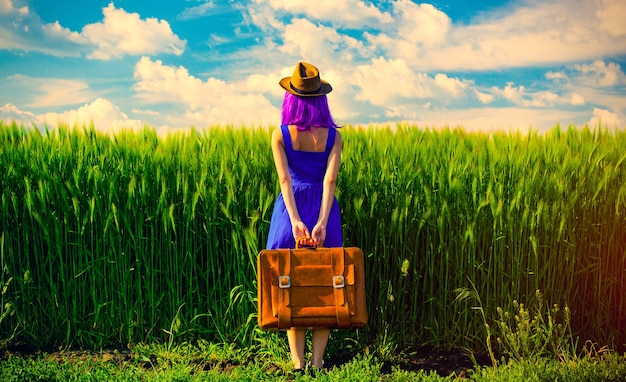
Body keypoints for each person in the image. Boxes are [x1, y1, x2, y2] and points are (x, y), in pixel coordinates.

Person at [265, 61, 343, 372]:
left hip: (290, 210)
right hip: (323, 209)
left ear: (291, 98)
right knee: (325, 286)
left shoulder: (281, 134)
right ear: (321, 98)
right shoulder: (333, 137)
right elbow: (330, 181)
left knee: (291, 284)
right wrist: (321, 222)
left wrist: (295, 222)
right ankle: (318, 361)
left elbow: (284, 181)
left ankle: (297, 363)